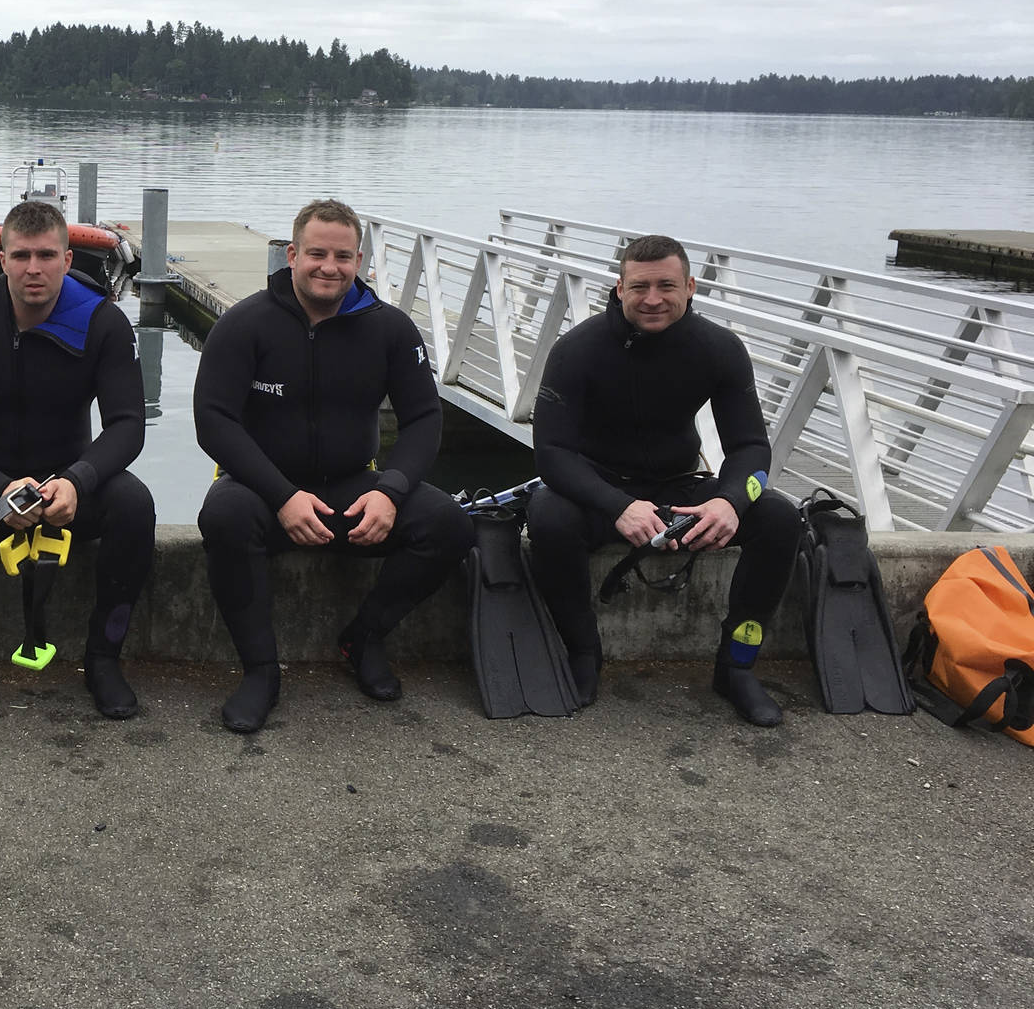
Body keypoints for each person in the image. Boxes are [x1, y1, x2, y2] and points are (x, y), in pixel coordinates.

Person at [195, 199, 473, 733]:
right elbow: (215, 422)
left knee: (450, 524)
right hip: (263, 489)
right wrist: (282, 496)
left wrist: (390, 491)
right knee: (224, 516)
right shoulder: (245, 323)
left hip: (353, 486)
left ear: (359, 261)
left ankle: (364, 636)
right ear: (292, 255)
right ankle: (260, 671)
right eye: (317, 253)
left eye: (342, 256)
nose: (329, 266)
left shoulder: (389, 329)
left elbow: (423, 419)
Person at [526, 233, 803, 726]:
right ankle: (584, 654)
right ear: (619, 288)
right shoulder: (578, 350)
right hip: (601, 490)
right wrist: (617, 505)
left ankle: (737, 668)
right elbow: (551, 455)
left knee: (781, 518)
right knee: (548, 515)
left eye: (666, 286)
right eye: (640, 287)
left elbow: (752, 450)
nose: (653, 299)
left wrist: (732, 502)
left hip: (680, 487)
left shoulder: (719, 349)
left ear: (691, 286)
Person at [0, 199, 152, 719]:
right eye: (20, 256)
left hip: (67, 488)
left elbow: (128, 424)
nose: (33, 269)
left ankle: (103, 659)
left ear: (67, 259)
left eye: (46, 255)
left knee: (134, 502)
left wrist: (79, 481)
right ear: (1, 260)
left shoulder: (102, 324)